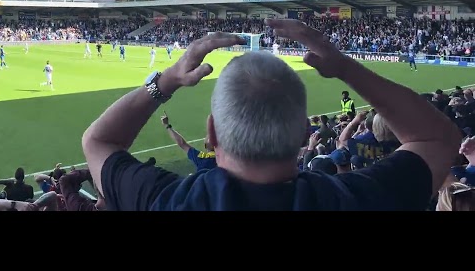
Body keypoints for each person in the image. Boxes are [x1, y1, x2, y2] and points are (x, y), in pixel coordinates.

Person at [82, 19, 461, 211]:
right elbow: (437, 139)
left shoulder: (167, 200)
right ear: (302, 133)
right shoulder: (353, 199)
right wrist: (345, 66)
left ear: (211, 133)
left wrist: (165, 80)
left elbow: (98, 141)